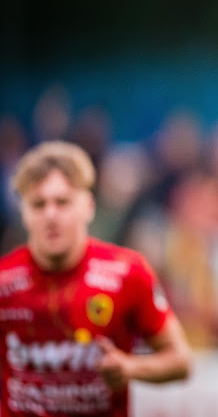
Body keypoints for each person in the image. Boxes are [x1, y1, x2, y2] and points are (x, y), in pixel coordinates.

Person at [0, 141, 192, 416]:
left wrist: (131, 367)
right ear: (24, 213)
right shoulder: (4, 281)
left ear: (88, 206)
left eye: (62, 202)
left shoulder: (127, 272)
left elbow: (181, 362)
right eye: (38, 204)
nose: (51, 215)